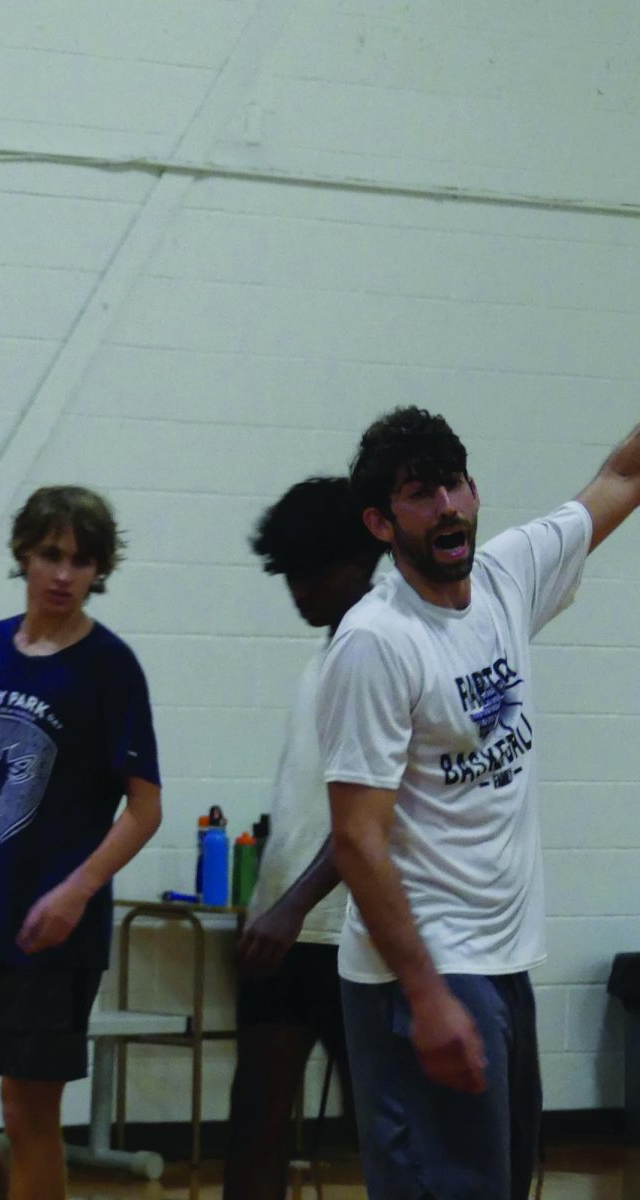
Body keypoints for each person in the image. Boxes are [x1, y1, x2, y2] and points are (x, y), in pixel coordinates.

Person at [316, 262, 640, 1200]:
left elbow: (630, 473)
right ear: (383, 522)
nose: (449, 506)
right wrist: (424, 994)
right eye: (420, 495)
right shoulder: (377, 644)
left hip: (499, 969)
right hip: (422, 976)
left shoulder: (502, 580)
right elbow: (357, 839)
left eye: (455, 483)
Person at [0, 486, 161, 1200]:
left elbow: (145, 809)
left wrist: (77, 889)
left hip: (50, 930)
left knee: (29, 1112)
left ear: (100, 571)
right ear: (24, 554)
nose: (64, 573)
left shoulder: (110, 667)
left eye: (82, 561)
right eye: (51, 555)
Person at [223, 477, 383, 1200]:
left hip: (355, 935)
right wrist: (270, 901)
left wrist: (292, 906)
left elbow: (375, 817)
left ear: (358, 559)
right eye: (288, 573)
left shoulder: (383, 652)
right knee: (253, 1129)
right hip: (283, 933)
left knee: (385, 1137)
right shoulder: (318, 662)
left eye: (312, 571)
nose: (299, 589)